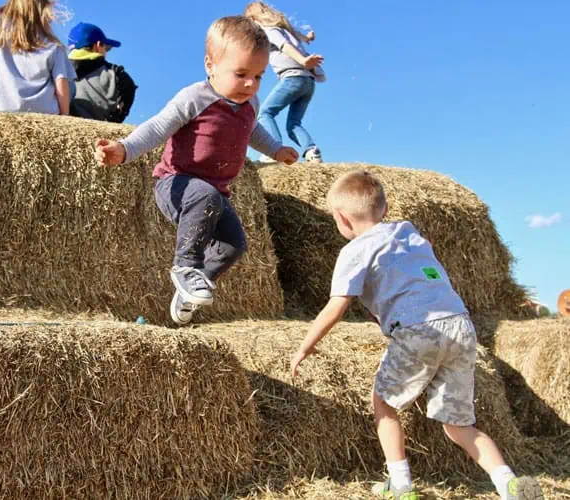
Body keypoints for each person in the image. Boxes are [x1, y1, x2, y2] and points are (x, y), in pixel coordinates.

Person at [290, 170, 544, 500]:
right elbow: (422, 254)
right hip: (459, 325)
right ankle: (508, 482)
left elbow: (336, 307)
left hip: (418, 330)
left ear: (340, 217)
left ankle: (401, 485)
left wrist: (304, 347)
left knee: (383, 403)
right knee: (458, 424)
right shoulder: (406, 230)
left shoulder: (354, 251)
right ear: (383, 209)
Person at [94, 16, 298, 325]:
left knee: (233, 246)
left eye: (258, 76)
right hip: (175, 184)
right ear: (210, 65)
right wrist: (124, 149)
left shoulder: (250, 103)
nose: (250, 84)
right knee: (205, 195)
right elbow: (157, 127)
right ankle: (184, 268)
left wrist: (276, 150)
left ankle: (190, 289)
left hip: (213, 195)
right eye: (241, 74)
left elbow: (253, 131)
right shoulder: (195, 98)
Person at [0, 0, 73, 115]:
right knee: (71, 86)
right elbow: (61, 80)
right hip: (46, 111)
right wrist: (64, 115)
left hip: (8, 108)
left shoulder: (2, 40)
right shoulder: (55, 47)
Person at [244, 1, 325, 163]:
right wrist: (306, 38)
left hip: (293, 77)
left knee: (265, 113)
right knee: (294, 123)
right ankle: (311, 150)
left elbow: (284, 45)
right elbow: (294, 36)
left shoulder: (268, 31)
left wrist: (303, 60)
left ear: (254, 19)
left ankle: (272, 150)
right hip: (308, 82)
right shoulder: (284, 30)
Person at [67, 22, 137, 123]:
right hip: (100, 136)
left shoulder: (57, 71)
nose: (106, 53)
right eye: (106, 48)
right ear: (98, 45)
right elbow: (128, 90)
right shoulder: (116, 75)